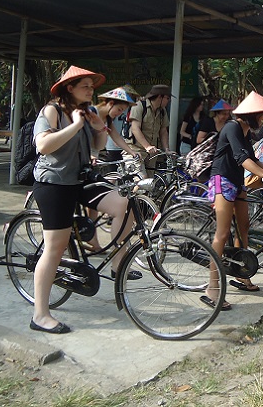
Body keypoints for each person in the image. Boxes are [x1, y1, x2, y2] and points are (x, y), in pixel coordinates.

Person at [29, 66, 134, 335]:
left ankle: (117, 264)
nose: (91, 91)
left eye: (91, 86)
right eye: (85, 86)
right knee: (55, 248)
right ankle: (40, 315)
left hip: (81, 179)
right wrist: (75, 125)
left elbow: (97, 147)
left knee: (125, 204)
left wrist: (99, 128)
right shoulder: (51, 111)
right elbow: (43, 146)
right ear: (70, 88)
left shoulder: (88, 113)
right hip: (54, 183)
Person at [203, 91, 263, 310]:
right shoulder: (232, 127)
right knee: (222, 234)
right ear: (251, 115)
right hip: (222, 181)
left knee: (243, 228)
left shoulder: (245, 131)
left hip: (238, 184)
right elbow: (242, 159)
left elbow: (254, 159)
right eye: (261, 115)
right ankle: (212, 288)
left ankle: (242, 273)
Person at [129, 84, 171, 168]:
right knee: (141, 176)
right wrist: (147, 146)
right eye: (167, 98)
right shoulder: (139, 106)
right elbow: (135, 128)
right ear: (160, 97)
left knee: (151, 176)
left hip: (152, 153)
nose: (169, 101)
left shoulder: (162, 111)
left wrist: (166, 149)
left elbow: (163, 131)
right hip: (136, 150)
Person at [94, 87, 140, 163]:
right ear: (111, 103)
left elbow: (116, 137)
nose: (119, 113)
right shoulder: (92, 113)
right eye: (119, 109)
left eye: (122, 111)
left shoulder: (108, 119)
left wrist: (132, 153)